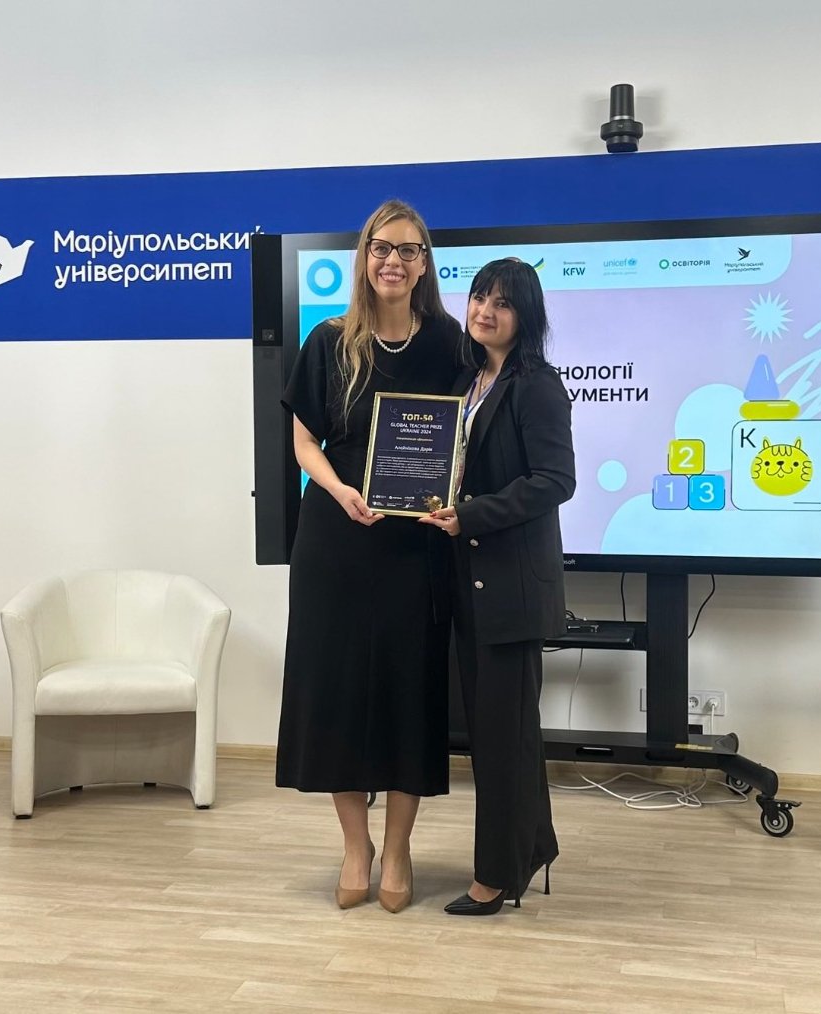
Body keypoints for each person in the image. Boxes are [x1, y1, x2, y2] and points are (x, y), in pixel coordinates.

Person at [276, 199, 462, 913]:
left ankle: (400, 848)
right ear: (364, 256)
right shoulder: (329, 341)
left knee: (410, 691)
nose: (394, 261)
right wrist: (340, 490)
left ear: (424, 263)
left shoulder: (449, 342)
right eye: (383, 248)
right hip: (337, 537)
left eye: (409, 250)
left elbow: (463, 437)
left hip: (416, 543)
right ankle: (356, 847)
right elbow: (303, 443)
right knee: (339, 693)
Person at [420, 258, 576, 915]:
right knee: (500, 734)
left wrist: (473, 514)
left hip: (511, 586)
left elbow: (555, 481)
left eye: (502, 303)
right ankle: (531, 845)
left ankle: (496, 875)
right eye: (480, 296)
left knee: (503, 738)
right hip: (468, 580)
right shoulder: (468, 379)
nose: (485, 310)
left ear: (525, 316)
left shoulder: (537, 385)